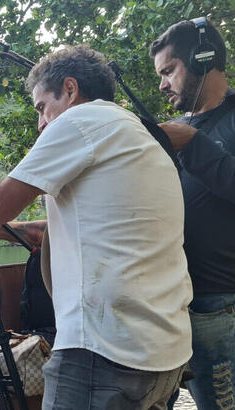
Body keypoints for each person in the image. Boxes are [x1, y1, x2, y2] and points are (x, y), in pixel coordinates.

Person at [0, 45, 193, 409]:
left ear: (70, 90)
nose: (41, 123)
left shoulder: (79, 121)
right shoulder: (139, 135)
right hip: (166, 353)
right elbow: (57, 230)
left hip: (103, 350)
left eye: (41, 107)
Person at [150, 18, 235, 410]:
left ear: (204, 59)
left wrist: (194, 144)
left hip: (224, 307)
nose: (162, 84)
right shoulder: (180, 129)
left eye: (169, 71)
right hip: (180, 303)